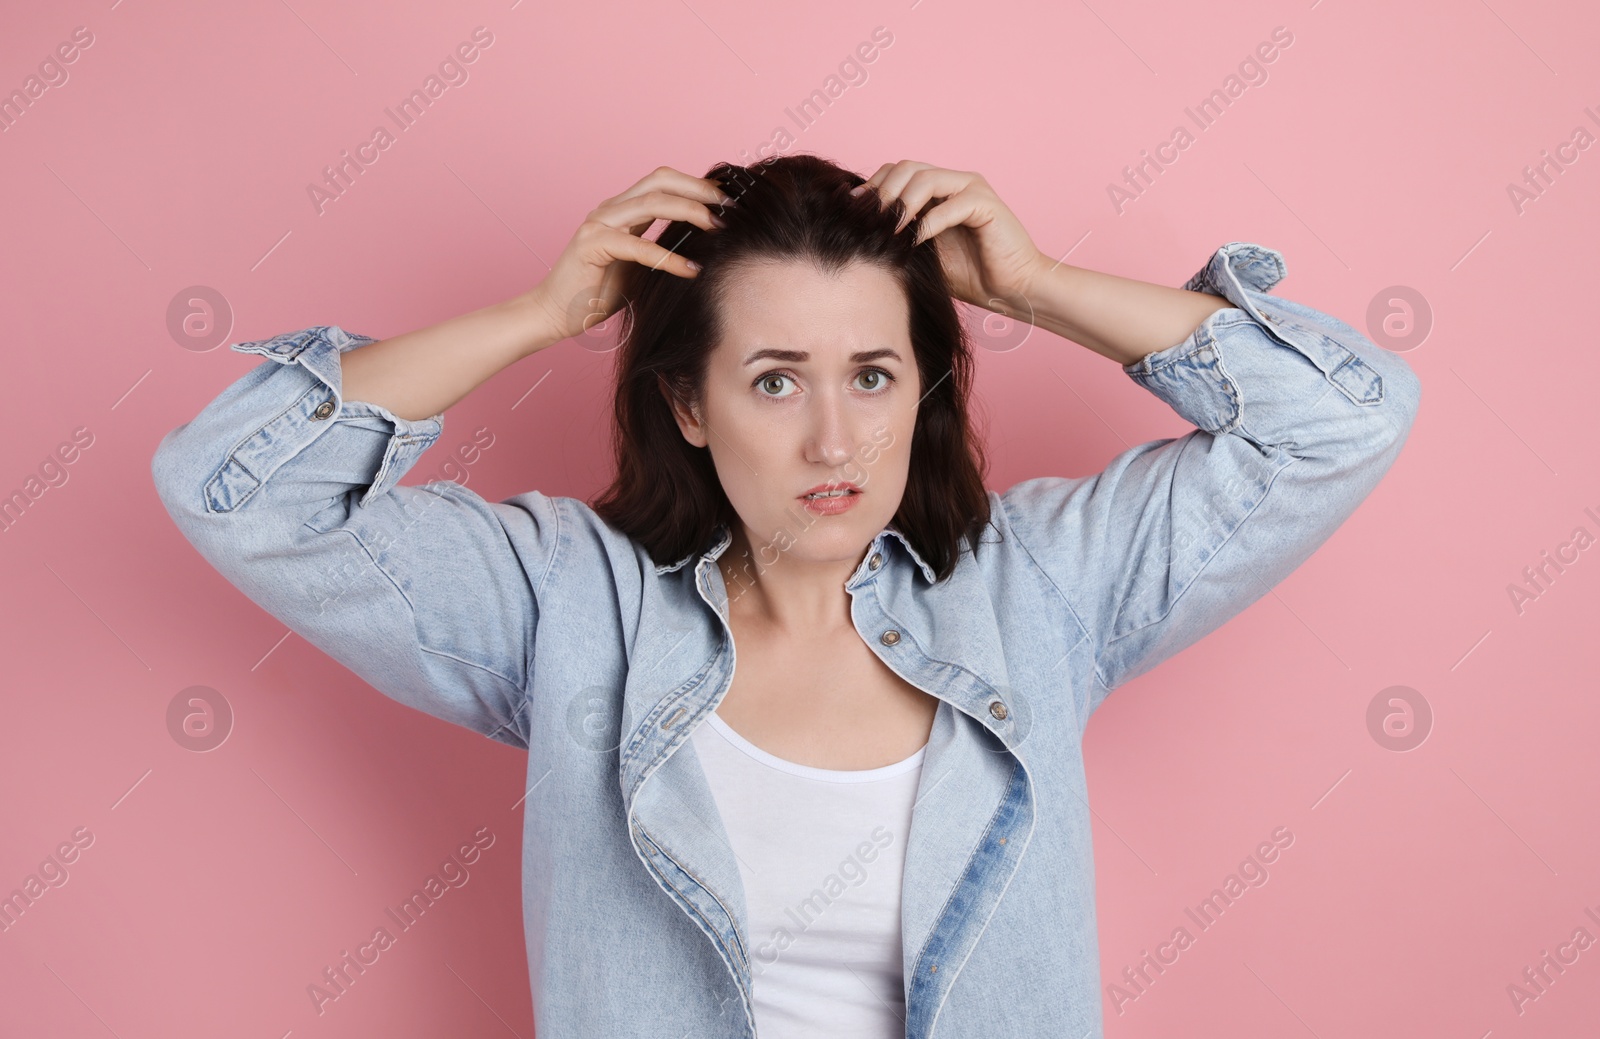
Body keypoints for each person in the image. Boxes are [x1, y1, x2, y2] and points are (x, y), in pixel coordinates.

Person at [150, 154, 1421, 1038]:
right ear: (687, 404)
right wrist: (540, 313)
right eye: (772, 381)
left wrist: (1031, 285)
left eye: (873, 375)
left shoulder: (1036, 586)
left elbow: (1343, 419)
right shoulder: (568, 605)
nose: (833, 440)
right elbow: (234, 486)